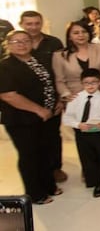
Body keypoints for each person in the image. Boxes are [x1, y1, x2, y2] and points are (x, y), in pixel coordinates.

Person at [0, 30, 60, 204]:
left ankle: (49, 185)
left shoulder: (37, 60)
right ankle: (35, 194)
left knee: (44, 152)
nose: (22, 44)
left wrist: (56, 102)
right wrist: (38, 110)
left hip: (45, 116)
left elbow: (49, 84)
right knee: (29, 155)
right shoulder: (5, 66)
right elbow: (8, 95)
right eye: (16, 41)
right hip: (21, 120)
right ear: (8, 44)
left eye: (25, 40)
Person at [19, 11, 66, 183]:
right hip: (26, 101)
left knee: (53, 135)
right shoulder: (18, 44)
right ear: (21, 24)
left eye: (36, 23)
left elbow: (61, 70)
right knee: (32, 139)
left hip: (52, 97)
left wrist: (61, 97)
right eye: (29, 23)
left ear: (41, 24)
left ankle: (55, 168)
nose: (33, 27)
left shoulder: (53, 42)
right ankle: (39, 171)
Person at [62, 68, 100, 198]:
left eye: (94, 82)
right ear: (82, 83)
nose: (90, 85)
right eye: (87, 83)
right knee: (88, 158)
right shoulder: (75, 98)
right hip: (82, 132)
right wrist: (78, 125)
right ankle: (96, 183)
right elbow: (67, 118)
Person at [52, 21, 100, 103]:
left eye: (84, 32)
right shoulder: (59, 55)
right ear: (69, 37)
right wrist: (66, 94)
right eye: (76, 33)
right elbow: (59, 81)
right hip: (74, 98)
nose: (81, 35)